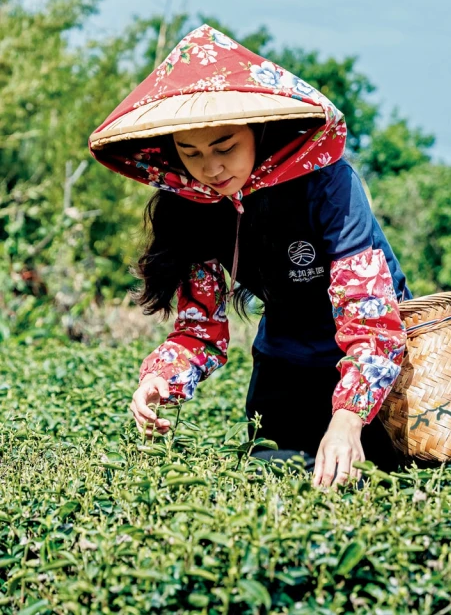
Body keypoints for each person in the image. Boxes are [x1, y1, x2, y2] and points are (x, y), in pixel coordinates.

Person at [89, 24, 411, 488]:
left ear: (258, 131)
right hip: (284, 362)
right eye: (191, 152)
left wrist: (348, 418)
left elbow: (372, 323)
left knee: (384, 495)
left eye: (225, 147)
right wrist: (160, 380)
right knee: (274, 491)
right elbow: (199, 331)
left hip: (376, 370)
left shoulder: (327, 183)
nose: (211, 168)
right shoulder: (193, 205)